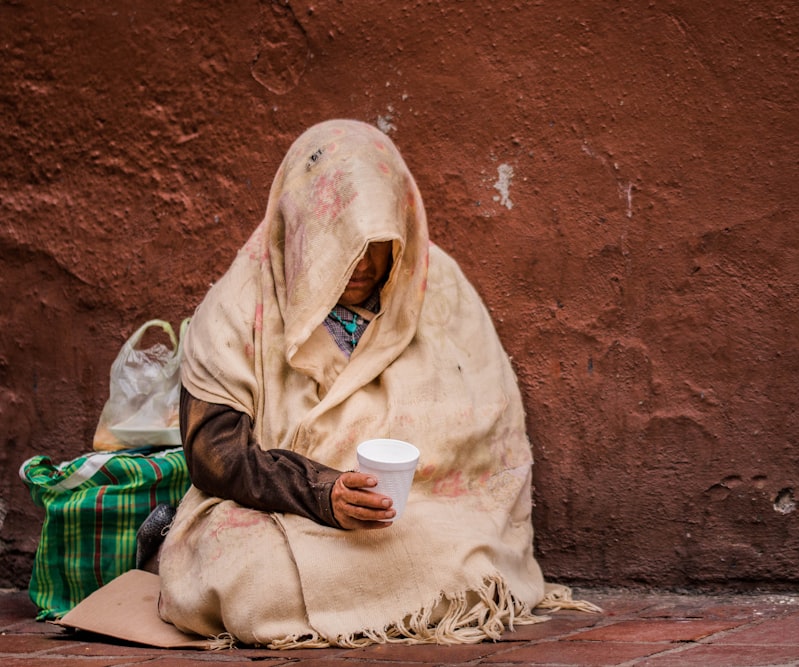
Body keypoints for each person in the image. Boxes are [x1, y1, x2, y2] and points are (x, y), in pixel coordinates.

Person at [156, 119, 594, 648]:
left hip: (415, 518)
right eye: (339, 243)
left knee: (473, 562)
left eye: (376, 243)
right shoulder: (238, 307)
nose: (361, 265)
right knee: (251, 580)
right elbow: (213, 454)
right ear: (299, 231)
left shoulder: (441, 291)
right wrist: (324, 493)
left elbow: (484, 450)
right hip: (278, 512)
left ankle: (372, 596)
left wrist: (373, 503)